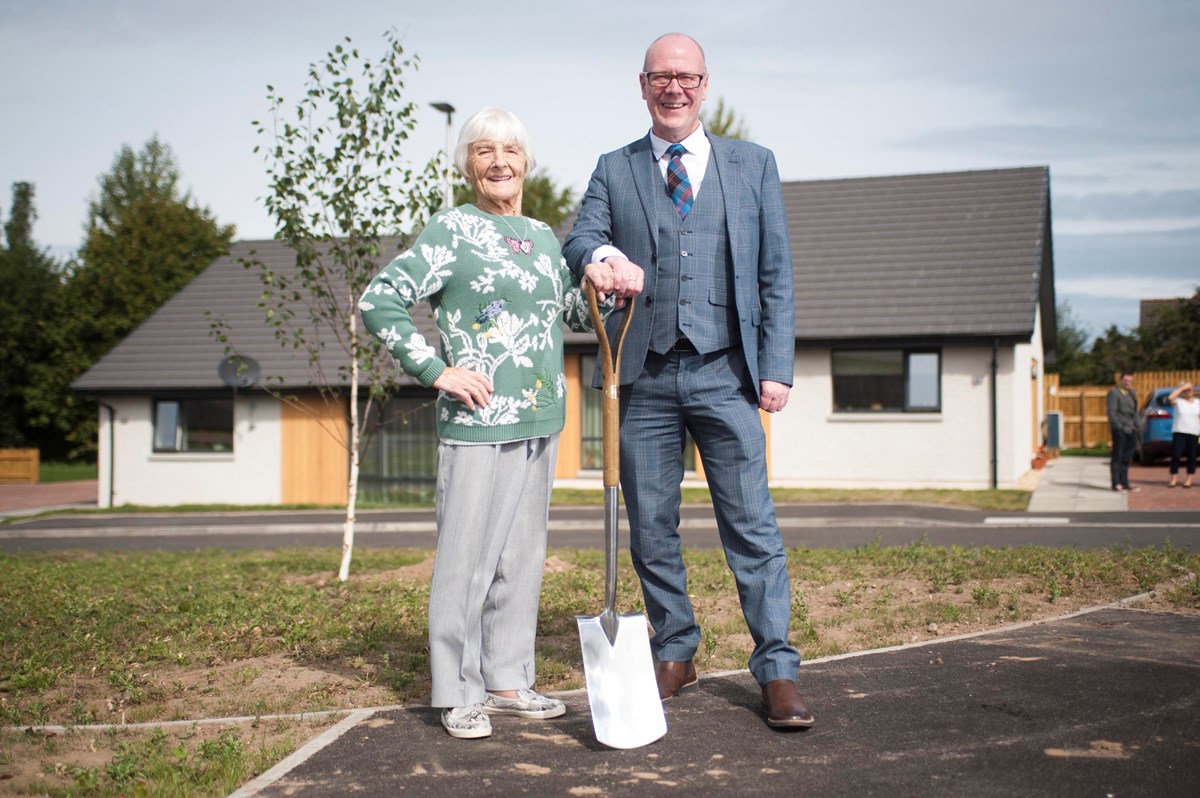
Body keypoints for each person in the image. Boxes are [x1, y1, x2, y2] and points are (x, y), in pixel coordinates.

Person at [563, 33, 813, 730]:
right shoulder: (616, 169)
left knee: (751, 525)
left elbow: (776, 271)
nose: (674, 89)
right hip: (642, 376)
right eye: (661, 77)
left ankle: (778, 670)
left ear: (704, 86)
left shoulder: (751, 164)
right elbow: (578, 238)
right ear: (642, 85)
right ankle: (675, 651)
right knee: (651, 527)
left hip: (727, 373)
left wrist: (775, 366)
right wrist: (606, 256)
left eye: (687, 78)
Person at [359, 108, 617, 740]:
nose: (500, 161)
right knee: (466, 561)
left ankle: (506, 679)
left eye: (510, 150)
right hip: (476, 420)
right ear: (468, 166)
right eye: (484, 151)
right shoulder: (452, 230)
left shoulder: (544, 237)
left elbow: (574, 318)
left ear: (526, 162)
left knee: (522, 556)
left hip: (540, 415)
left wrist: (601, 287)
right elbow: (379, 300)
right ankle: (457, 688)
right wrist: (434, 369)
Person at [1106, 371, 1139, 493]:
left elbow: (1135, 412)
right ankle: (1116, 483)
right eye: (1125, 380)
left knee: (1127, 458)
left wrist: (1137, 426)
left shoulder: (1132, 393)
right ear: (1120, 380)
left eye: (1130, 381)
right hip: (1119, 430)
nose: (1127, 383)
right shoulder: (1114, 393)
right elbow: (1111, 412)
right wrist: (1118, 427)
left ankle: (1125, 483)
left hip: (1131, 429)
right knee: (1117, 457)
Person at [1167, 382, 1199, 488]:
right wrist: (1181, 388)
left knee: (1192, 457)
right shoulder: (1179, 402)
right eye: (1186, 390)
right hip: (1179, 432)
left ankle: (1189, 479)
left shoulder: (1198, 402)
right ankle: (1174, 478)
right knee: (1176, 455)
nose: (1188, 391)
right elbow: (1170, 397)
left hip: (1194, 433)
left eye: (1190, 389)